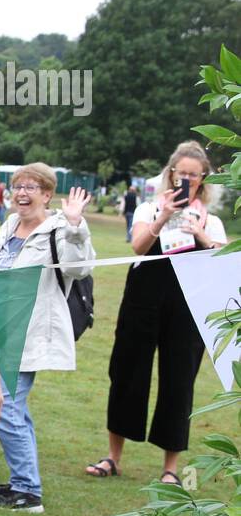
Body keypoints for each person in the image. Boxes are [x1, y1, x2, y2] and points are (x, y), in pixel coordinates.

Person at [88, 141, 227, 485]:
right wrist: (164, 216)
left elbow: (222, 263)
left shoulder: (212, 220)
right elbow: (137, 246)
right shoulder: (149, 208)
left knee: (179, 381)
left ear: (203, 179)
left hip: (187, 305)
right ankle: (113, 457)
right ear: (171, 173)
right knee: (127, 372)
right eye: (182, 174)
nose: (188, 181)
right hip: (143, 299)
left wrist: (202, 234)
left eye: (195, 176)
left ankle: (170, 469)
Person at [0, 164, 94, 513]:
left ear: (47, 194)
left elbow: (79, 269)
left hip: (28, 334)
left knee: (6, 407)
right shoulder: (8, 226)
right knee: (15, 408)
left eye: (32, 186)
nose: (22, 192)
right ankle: (23, 483)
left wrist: (76, 225)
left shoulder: (60, 228)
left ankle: (28, 492)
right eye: (17, 185)